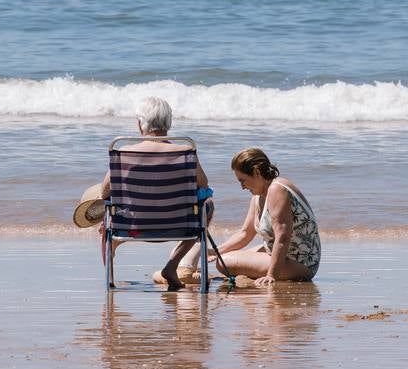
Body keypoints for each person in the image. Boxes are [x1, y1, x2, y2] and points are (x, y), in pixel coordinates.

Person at [100, 97, 210, 290]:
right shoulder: (184, 150)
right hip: (180, 226)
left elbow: (104, 192)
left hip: (131, 227)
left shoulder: (124, 152)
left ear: (140, 124)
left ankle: (113, 252)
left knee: (110, 209)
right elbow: (203, 184)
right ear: (169, 122)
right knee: (208, 206)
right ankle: (172, 265)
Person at [178, 147, 321, 286]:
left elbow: (283, 236)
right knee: (225, 257)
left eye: (243, 180)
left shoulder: (276, 190)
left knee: (225, 262)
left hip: (301, 263)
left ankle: (273, 272)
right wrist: (215, 251)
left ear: (257, 172)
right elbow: (245, 233)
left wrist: (271, 275)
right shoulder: (259, 193)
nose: (242, 186)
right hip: (284, 254)